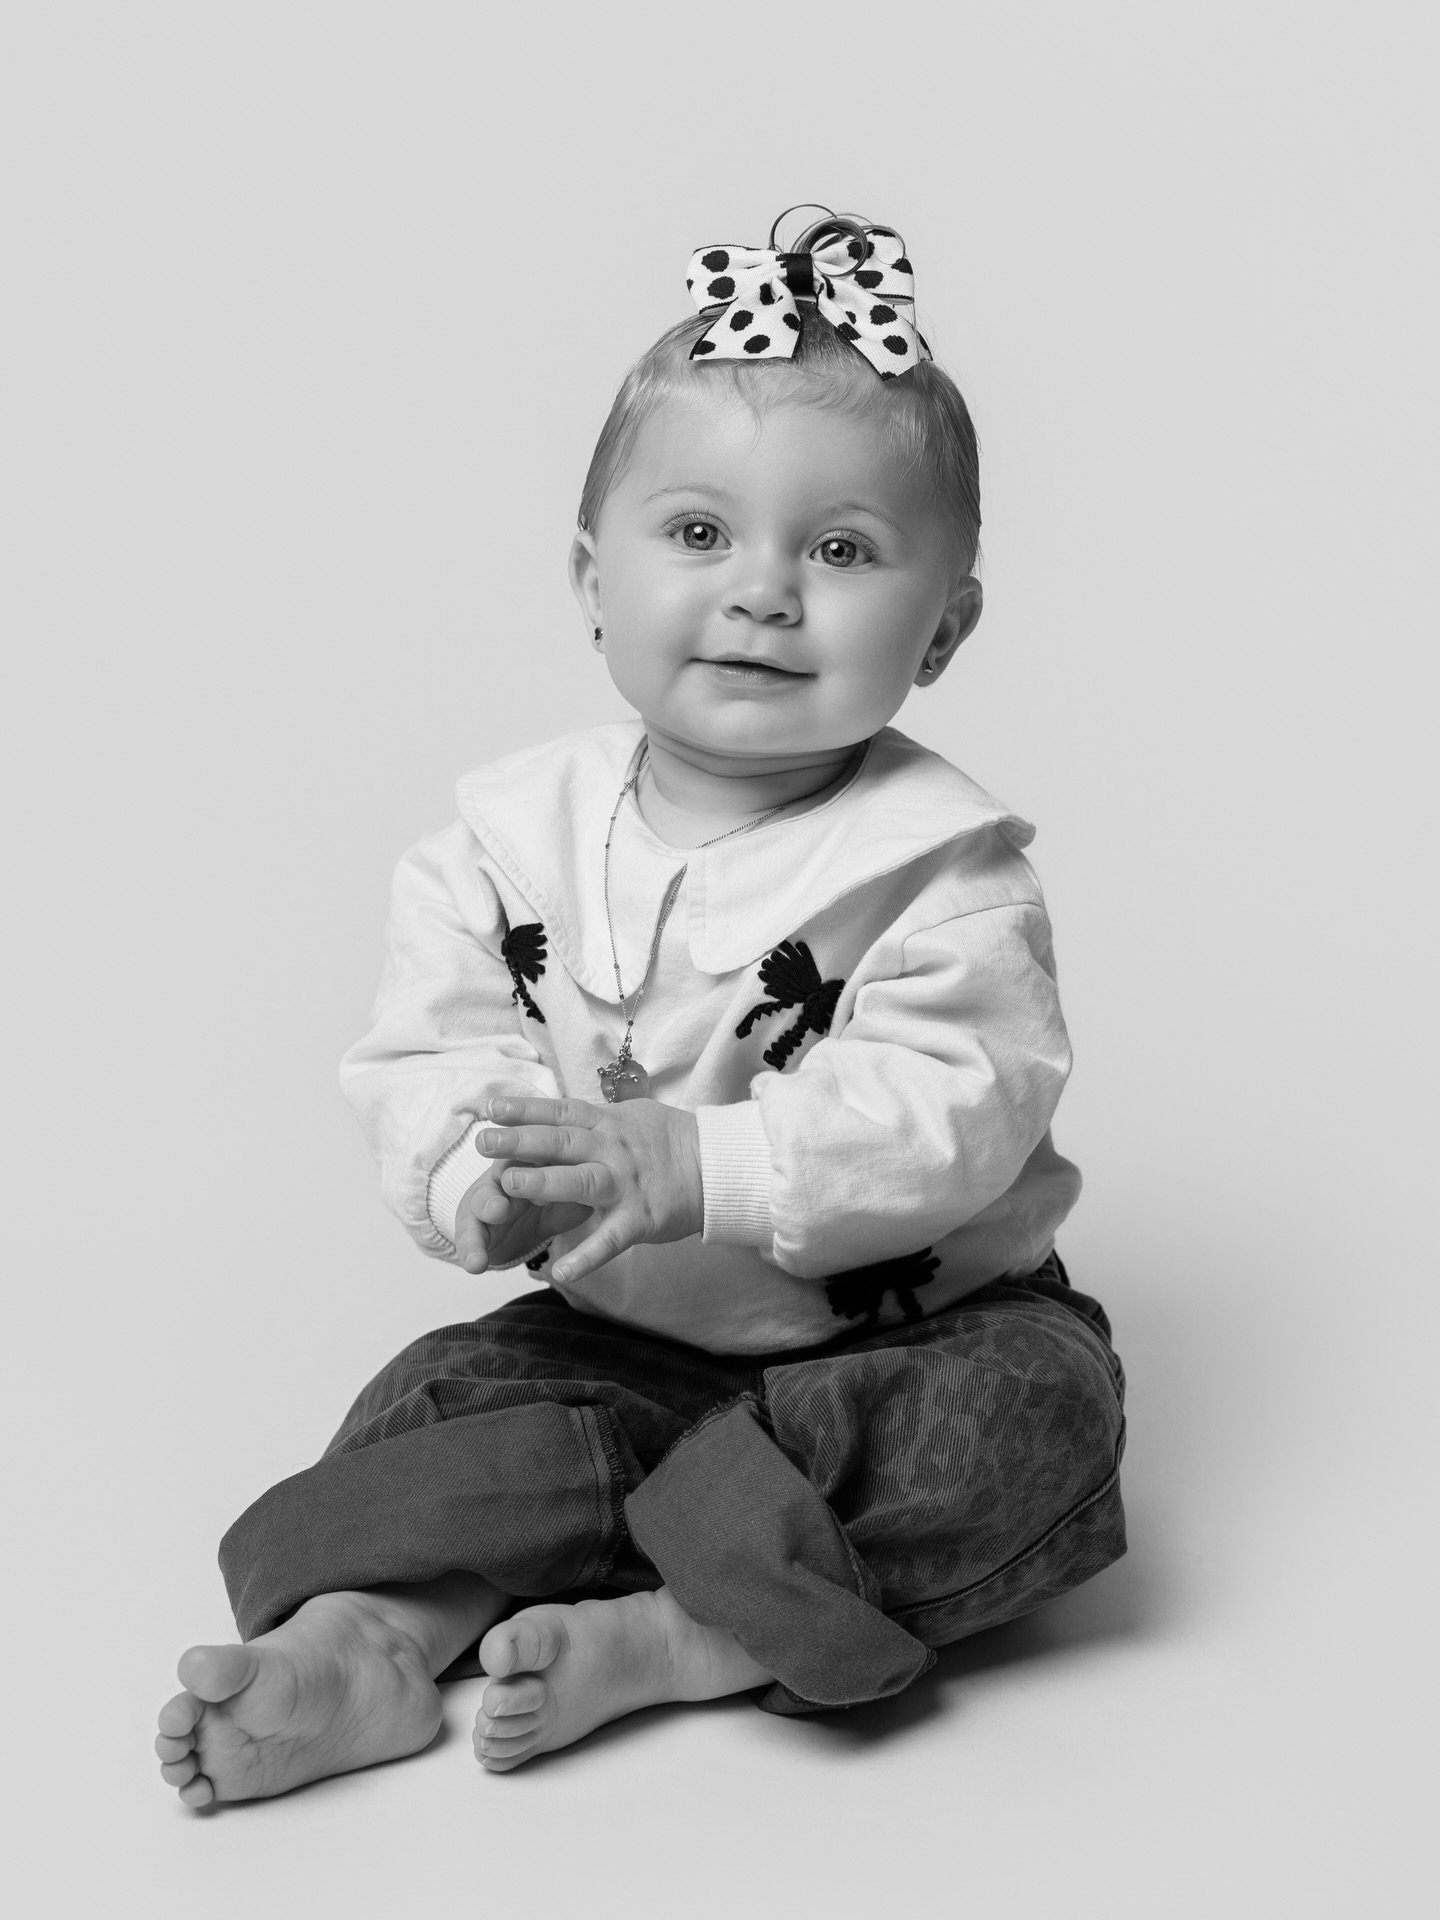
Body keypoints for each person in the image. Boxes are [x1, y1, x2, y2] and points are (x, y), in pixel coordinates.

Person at [155, 209, 1126, 1808]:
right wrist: (483, 1178)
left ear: (942, 626)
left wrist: (700, 1168)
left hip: (903, 1337)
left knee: (1045, 1418)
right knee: (438, 1397)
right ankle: (379, 1634)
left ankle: (689, 1632)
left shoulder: (944, 875)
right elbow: (434, 1049)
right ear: (589, 581)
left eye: (841, 551)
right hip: (622, 1336)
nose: (762, 594)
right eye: (698, 534)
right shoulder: (497, 838)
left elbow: (955, 1111)